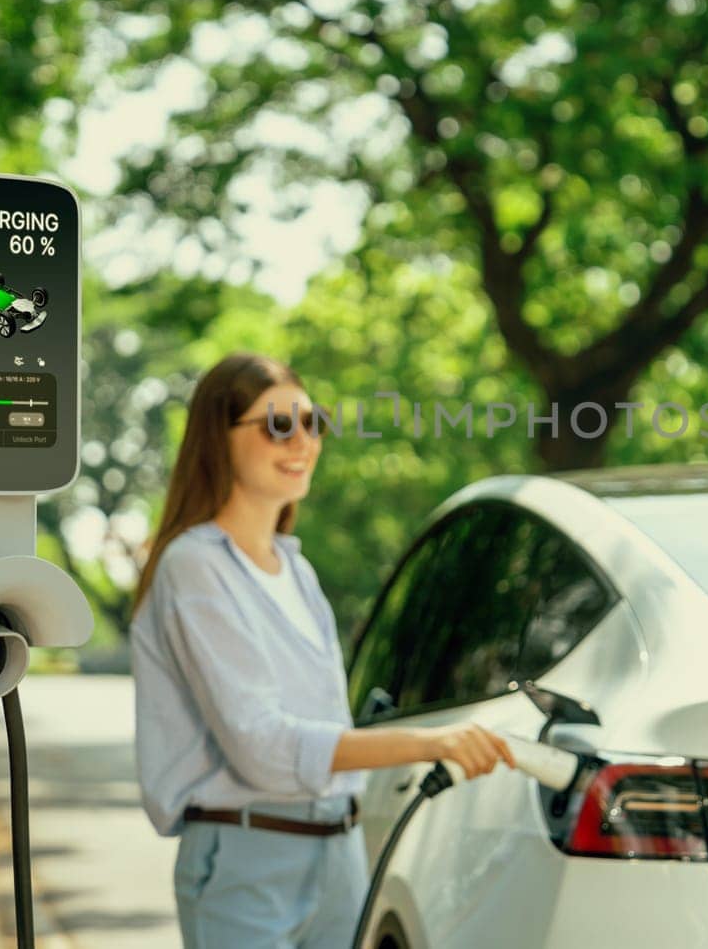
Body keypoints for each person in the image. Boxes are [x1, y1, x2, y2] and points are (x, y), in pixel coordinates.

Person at [130, 352, 515, 949]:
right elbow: (260, 746)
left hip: (339, 854)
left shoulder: (297, 570)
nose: (303, 441)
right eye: (279, 424)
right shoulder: (194, 566)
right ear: (218, 437)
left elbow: (322, 725)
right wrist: (428, 742)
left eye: (314, 423)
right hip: (248, 858)